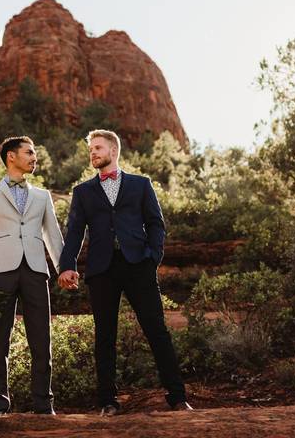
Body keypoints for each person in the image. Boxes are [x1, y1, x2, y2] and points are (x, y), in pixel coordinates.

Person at [58, 129, 193, 415]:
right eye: (91, 149)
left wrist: (152, 258)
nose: (93, 153)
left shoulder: (141, 184)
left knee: (157, 331)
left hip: (137, 265)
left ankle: (178, 397)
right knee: (105, 335)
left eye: (98, 148)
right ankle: (108, 401)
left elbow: (156, 224)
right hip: (101, 269)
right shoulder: (82, 192)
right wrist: (67, 265)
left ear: (114, 151)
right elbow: (74, 233)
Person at [0, 135, 64, 415]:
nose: (34, 157)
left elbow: (54, 235)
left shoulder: (42, 196)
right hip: (0, 271)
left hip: (36, 270)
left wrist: (65, 269)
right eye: (29, 152)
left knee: (41, 338)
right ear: (11, 156)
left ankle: (43, 404)